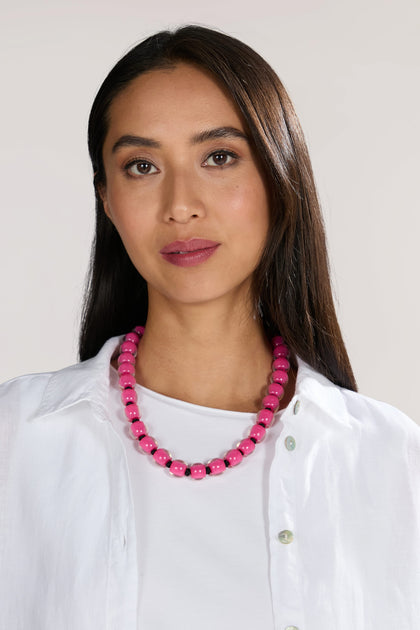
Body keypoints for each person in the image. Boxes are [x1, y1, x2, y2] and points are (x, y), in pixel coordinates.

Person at [0, 25, 419, 630]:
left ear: (280, 177)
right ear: (108, 199)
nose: (180, 203)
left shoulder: (388, 459)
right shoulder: (16, 440)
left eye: (219, 157)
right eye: (141, 166)